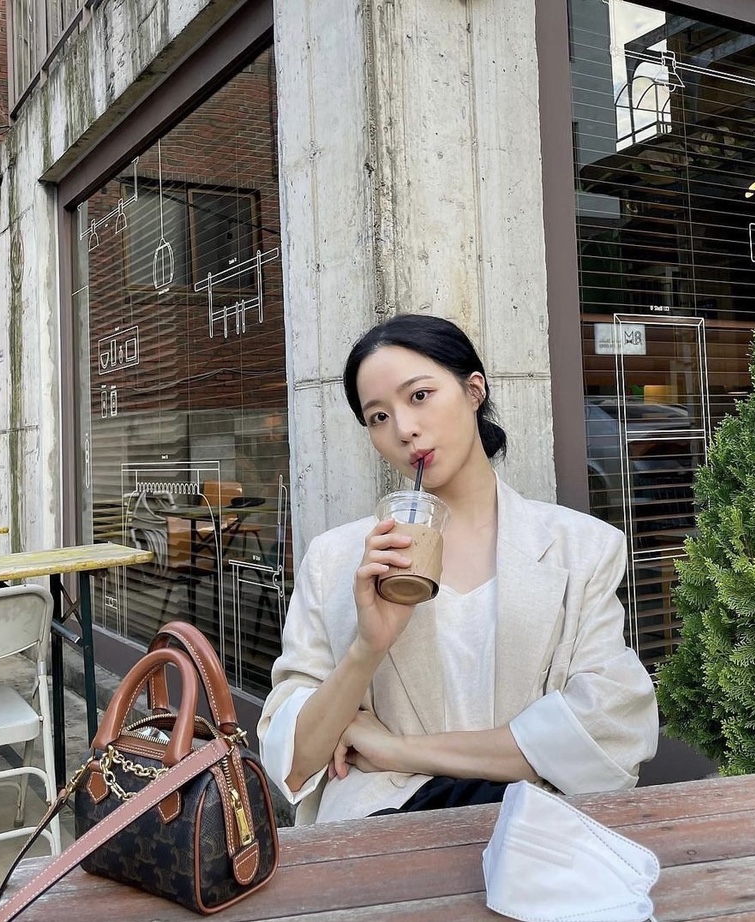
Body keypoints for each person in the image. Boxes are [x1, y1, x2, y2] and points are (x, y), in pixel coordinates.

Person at [257, 313, 658, 824]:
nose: (404, 429)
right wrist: (367, 648)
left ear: (473, 390)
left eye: (420, 395)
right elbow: (293, 764)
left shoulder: (580, 549)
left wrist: (397, 750)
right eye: (378, 417)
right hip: (383, 838)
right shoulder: (335, 561)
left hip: (532, 834)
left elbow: (609, 731)